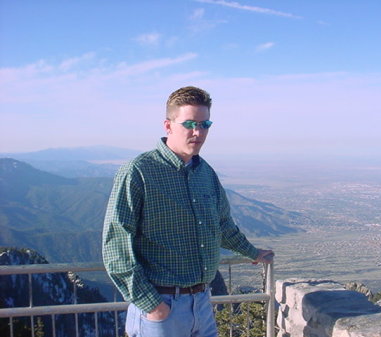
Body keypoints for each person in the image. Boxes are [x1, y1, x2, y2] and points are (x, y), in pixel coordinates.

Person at [102, 86, 274, 337]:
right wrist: (152, 305)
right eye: (189, 123)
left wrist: (253, 252)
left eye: (205, 124)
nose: (198, 132)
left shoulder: (205, 173)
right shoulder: (139, 171)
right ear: (168, 125)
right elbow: (115, 245)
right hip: (162, 309)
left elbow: (223, 226)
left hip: (202, 303)